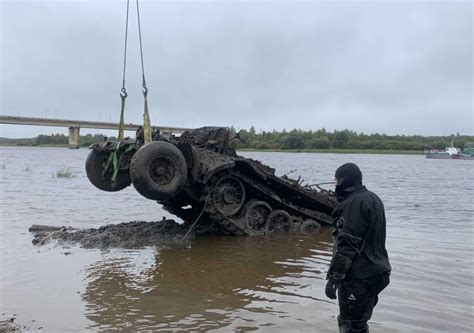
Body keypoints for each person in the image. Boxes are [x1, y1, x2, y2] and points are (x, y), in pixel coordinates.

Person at [325, 163, 391, 333]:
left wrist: (335, 277)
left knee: (350, 324)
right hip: (377, 272)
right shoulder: (373, 199)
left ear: (344, 182)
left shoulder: (353, 204)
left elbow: (347, 246)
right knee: (359, 322)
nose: (335, 186)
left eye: (336, 181)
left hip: (359, 276)